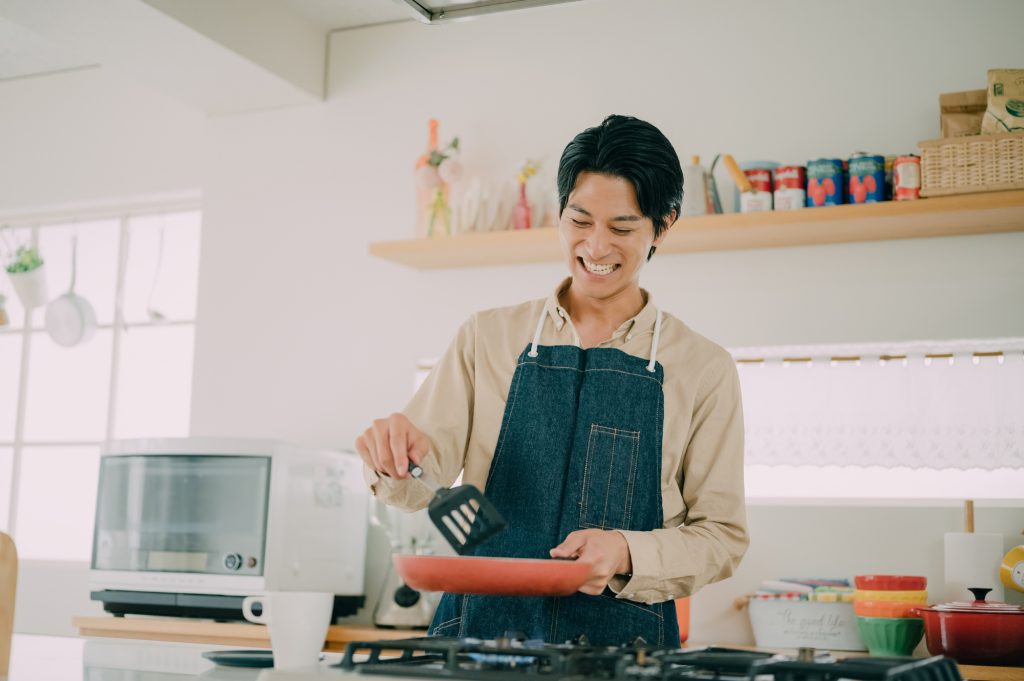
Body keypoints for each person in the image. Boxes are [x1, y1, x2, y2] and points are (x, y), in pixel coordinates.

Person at [356, 114, 748, 646]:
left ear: (664, 224)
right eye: (579, 221)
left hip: (624, 648)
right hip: (478, 640)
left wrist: (627, 552)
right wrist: (392, 454)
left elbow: (721, 536)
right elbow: (417, 486)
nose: (596, 246)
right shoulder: (486, 338)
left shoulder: (703, 367)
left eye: (623, 227)